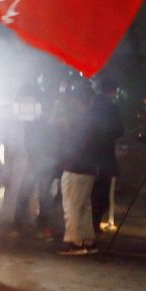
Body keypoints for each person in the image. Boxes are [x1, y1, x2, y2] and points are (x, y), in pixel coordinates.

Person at [57, 86, 99, 255]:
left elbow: (69, 143)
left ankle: (74, 242)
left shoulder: (77, 121)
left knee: (71, 205)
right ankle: (88, 240)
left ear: (76, 101)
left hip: (74, 167)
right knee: (84, 205)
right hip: (89, 168)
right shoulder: (94, 120)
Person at [89, 80, 124, 232]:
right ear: (113, 91)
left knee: (89, 192)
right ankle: (95, 223)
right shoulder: (112, 108)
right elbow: (119, 130)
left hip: (88, 155)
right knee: (102, 192)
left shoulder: (90, 106)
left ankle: (88, 223)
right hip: (105, 155)